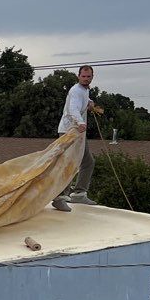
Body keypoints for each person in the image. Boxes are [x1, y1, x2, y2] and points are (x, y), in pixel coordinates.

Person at [52, 65, 97, 213]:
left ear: (92, 77)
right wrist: (81, 122)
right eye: (83, 76)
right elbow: (73, 109)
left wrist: (90, 102)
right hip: (69, 131)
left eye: (88, 76)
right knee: (69, 163)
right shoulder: (76, 90)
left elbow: (83, 99)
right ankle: (59, 198)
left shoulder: (84, 90)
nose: (86, 79)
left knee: (87, 161)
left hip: (78, 132)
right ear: (78, 76)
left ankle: (79, 194)